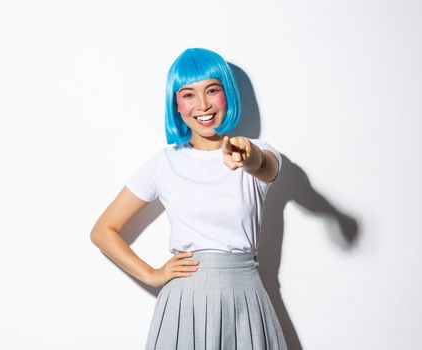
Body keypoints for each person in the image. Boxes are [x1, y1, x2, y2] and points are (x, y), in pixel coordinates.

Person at [90, 47, 288, 349]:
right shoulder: (164, 163)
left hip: (244, 295)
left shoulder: (257, 150)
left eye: (212, 90)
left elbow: (264, 165)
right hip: (185, 299)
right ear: (177, 104)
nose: (203, 104)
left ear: (227, 94)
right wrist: (151, 274)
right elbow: (103, 230)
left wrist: (248, 156)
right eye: (189, 94)